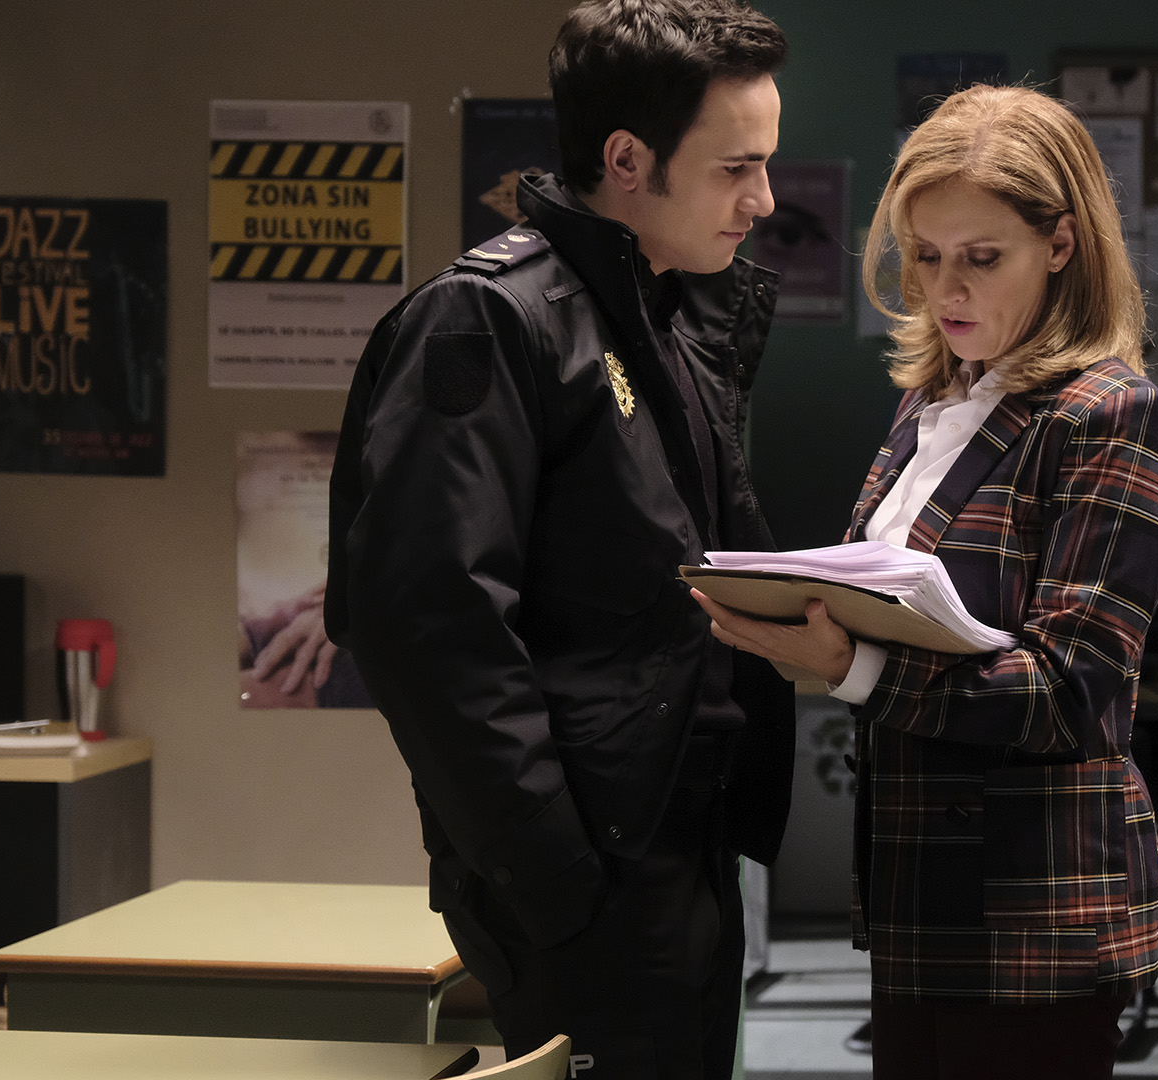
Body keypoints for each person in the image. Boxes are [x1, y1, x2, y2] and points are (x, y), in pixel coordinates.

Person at [325, 3, 794, 1077]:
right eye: (737, 168)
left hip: (677, 845)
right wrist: (552, 874)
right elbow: (425, 624)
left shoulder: (667, 314)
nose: (764, 200)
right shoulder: (490, 318)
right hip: (588, 865)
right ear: (627, 161)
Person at [691, 84, 1158, 1079]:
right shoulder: (936, 398)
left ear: (1061, 243)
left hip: (1034, 905)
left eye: (981, 257)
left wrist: (852, 665)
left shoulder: (1113, 415)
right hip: (920, 887)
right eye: (925, 256)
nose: (946, 290)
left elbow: (1070, 694)